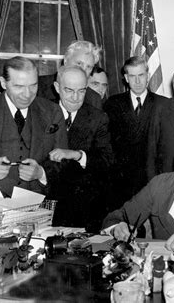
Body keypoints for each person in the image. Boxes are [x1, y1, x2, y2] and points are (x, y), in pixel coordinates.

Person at [0, 57, 67, 197]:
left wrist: (41, 173)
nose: (27, 94)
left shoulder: (52, 112)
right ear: (3, 83)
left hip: (37, 204)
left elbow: (64, 162)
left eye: (33, 86)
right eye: (19, 87)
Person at [49, 66, 114, 231]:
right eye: (69, 90)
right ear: (57, 88)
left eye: (81, 91)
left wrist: (78, 155)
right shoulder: (42, 112)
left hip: (82, 209)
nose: (75, 97)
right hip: (45, 203)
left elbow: (107, 160)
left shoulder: (98, 118)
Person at [104, 56, 168, 207]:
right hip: (121, 181)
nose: (137, 81)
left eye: (141, 75)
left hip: (151, 179)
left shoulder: (163, 104)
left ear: (148, 75)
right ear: (126, 78)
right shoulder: (113, 104)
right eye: (132, 76)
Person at [38, 40, 103, 109]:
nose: (83, 70)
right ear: (66, 60)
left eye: (88, 67)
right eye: (79, 63)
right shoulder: (38, 87)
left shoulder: (94, 99)